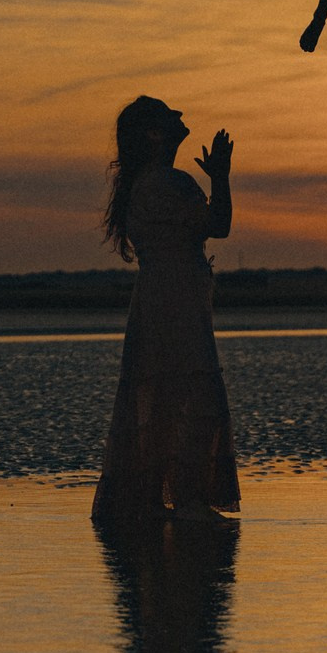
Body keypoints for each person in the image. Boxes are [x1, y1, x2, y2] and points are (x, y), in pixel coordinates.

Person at [92, 96, 238, 526]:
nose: (179, 115)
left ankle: (159, 501)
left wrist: (216, 177)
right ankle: (189, 501)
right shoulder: (167, 183)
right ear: (155, 133)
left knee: (163, 393)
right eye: (168, 113)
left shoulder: (148, 184)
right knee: (188, 392)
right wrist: (222, 178)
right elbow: (220, 225)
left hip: (161, 296)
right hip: (175, 300)